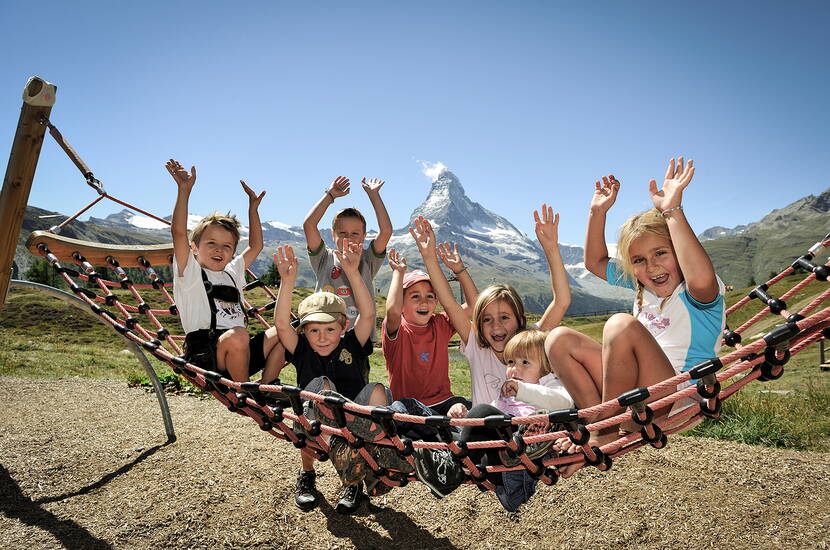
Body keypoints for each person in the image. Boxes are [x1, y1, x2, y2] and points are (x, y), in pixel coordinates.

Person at [545, 157, 725, 477]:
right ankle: (598, 420)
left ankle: (604, 432)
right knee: (558, 339)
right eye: (639, 260)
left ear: (678, 251)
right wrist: (597, 212)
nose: (652, 267)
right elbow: (595, 262)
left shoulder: (699, 293)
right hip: (633, 393)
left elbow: (699, 274)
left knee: (620, 325)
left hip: (676, 395)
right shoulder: (645, 288)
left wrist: (672, 211)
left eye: (661, 253)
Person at [407, 204, 573, 502]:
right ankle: (396, 451)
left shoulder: (530, 343)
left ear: (520, 321)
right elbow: (448, 303)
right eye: (487, 319)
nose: (496, 326)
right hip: (477, 447)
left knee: (481, 413)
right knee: (410, 407)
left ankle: (451, 467)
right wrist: (429, 257)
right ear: (478, 325)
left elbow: (561, 301)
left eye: (504, 318)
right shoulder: (477, 346)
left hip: (510, 449)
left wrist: (551, 248)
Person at [273, 242, 393, 515]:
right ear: (304, 331)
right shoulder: (301, 349)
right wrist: (287, 281)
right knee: (320, 389)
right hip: (314, 423)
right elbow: (281, 324)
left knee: (377, 390)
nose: (323, 336)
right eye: (314, 330)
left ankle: (360, 475)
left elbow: (369, 313)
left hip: (353, 424)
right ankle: (307, 476)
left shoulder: (353, 343)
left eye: (330, 328)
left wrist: (352, 272)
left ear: (344, 326)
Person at [166, 159, 283, 384]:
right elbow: (179, 233)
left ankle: (267, 386)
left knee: (284, 333)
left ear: (232, 252)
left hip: (240, 351)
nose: (219, 250)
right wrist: (184, 191)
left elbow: (256, 246)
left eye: (226, 246)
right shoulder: (189, 272)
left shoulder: (232, 272)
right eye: (211, 243)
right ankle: (244, 392)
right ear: (194, 248)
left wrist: (253, 208)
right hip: (206, 356)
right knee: (239, 334)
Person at [382, 245, 477, 419]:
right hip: (411, 407)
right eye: (415, 296)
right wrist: (398, 273)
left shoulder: (440, 324)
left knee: (477, 409)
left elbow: (473, 306)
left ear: (437, 302)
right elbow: (392, 312)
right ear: (402, 304)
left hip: (444, 402)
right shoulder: (398, 330)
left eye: (430, 296)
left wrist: (459, 271)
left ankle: (446, 425)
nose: (424, 302)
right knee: (402, 408)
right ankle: (442, 427)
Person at [303, 176, 392, 338]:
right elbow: (309, 225)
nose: (348, 238)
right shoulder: (324, 258)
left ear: (364, 236)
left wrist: (374, 195)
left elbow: (386, 231)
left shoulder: (368, 259)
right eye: (342, 233)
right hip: (322, 334)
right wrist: (330, 196)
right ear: (332, 235)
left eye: (355, 233)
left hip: (359, 336)